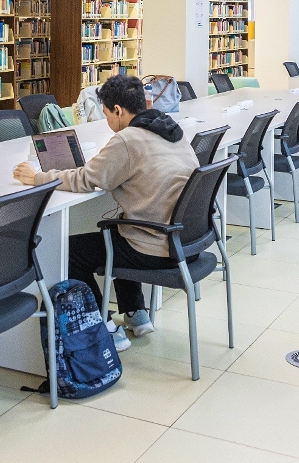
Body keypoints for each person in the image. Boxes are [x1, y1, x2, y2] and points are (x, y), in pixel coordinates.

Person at [13, 75, 198, 350]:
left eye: (107, 114)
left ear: (118, 110)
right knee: (120, 229)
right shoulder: (171, 129)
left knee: (69, 252)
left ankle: (105, 327)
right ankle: (136, 312)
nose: (107, 121)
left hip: (156, 247)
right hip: (186, 240)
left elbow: (85, 179)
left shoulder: (127, 139)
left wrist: (38, 177)